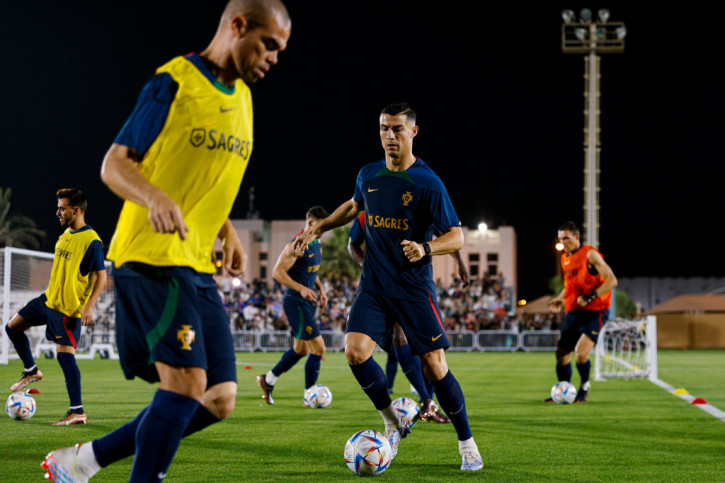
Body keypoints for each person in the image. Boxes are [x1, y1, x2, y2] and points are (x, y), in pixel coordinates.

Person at [41, 1, 291, 482]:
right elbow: (114, 163)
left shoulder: (243, 99)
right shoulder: (173, 82)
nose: (274, 58)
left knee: (218, 399)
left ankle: (82, 461)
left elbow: (206, 181)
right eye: (269, 45)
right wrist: (152, 196)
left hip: (195, 266)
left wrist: (228, 230)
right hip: (150, 258)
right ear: (238, 26)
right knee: (185, 386)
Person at [295, 102, 483, 471]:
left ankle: (467, 444)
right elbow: (353, 207)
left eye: (397, 129)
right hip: (374, 289)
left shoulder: (428, 182)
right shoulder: (368, 174)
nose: (389, 136)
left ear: (413, 132)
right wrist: (319, 227)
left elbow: (457, 236)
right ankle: (391, 421)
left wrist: (427, 247)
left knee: (434, 366)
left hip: (414, 291)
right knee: (354, 351)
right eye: (384, 128)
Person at [348, 211, 468, 423]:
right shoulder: (367, 211)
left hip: (416, 286)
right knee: (397, 338)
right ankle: (423, 401)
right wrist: (369, 266)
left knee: (430, 356)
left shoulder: (414, 205)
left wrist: (459, 262)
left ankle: (428, 402)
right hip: (383, 288)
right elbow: (352, 244)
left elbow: (449, 234)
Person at [6, 189, 107, 426]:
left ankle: (77, 411)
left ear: (76, 210)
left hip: (68, 310)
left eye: (62, 208)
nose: (57, 212)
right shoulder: (65, 235)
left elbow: (101, 277)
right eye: (58, 207)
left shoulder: (92, 241)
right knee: (12, 328)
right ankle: (31, 371)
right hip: (48, 301)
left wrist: (90, 305)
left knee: (65, 357)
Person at [257, 206, 329, 405]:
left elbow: (312, 271)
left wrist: (320, 289)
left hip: (306, 302)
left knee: (300, 350)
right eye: (322, 226)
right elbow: (277, 272)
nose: (325, 229)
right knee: (318, 348)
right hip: (295, 302)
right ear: (311, 223)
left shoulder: (316, 242)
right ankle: (309, 395)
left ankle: (267, 380)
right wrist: (301, 289)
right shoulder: (295, 245)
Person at [547, 221, 618, 403]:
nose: (563, 242)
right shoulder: (565, 258)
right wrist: (560, 298)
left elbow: (612, 280)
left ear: (577, 237)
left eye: (567, 238)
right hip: (575, 311)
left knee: (580, 354)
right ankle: (563, 390)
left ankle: (584, 387)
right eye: (561, 239)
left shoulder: (590, 254)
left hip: (596, 310)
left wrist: (591, 296)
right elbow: (570, 285)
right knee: (562, 353)